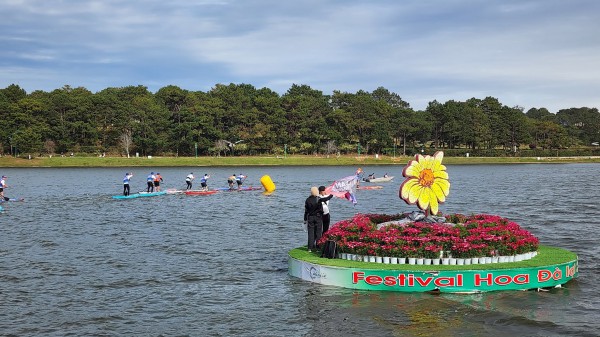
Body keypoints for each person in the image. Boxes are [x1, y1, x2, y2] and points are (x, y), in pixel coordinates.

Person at [303, 186, 332, 252]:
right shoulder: (318, 199)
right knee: (318, 232)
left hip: (310, 217)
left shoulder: (307, 200)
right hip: (318, 217)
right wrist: (332, 194)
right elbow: (327, 198)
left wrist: (305, 219)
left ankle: (310, 248)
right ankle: (318, 247)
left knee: (310, 233)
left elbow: (306, 210)